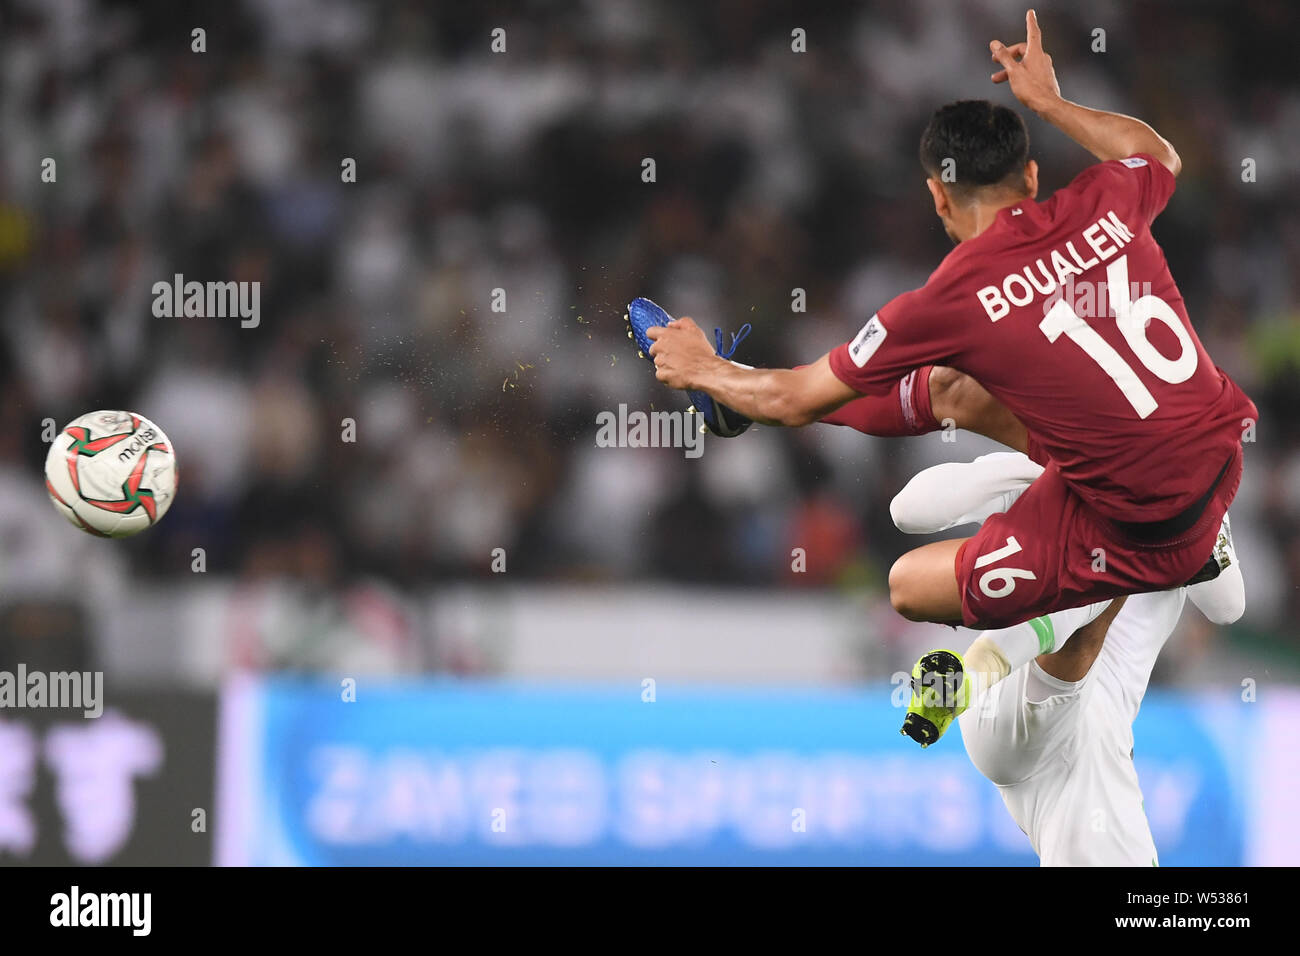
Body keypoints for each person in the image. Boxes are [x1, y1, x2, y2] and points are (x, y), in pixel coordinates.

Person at [644, 10, 1256, 744]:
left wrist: (705, 370)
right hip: (1220, 452)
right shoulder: (1108, 198)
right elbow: (1157, 151)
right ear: (1030, 175)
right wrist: (1051, 103)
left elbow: (800, 397)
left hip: (1149, 524)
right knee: (956, 391)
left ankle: (1008, 667)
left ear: (939, 196)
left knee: (909, 586)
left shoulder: (949, 299)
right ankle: (1014, 650)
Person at [889, 452, 1244, 865]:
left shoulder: (1191, 498)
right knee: (1093, 560)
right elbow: (907, 510)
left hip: (1086, 750)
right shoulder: (1049, 473)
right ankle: (966, 680)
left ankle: (960, 683)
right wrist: (1032, 470)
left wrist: (1189, 520)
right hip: (1012, 696)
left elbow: (1228, 606)